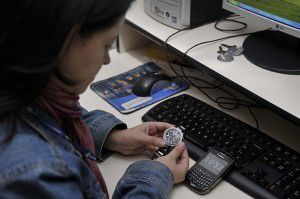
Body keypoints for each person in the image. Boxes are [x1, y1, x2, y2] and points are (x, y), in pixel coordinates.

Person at [0, 0, 189, 198]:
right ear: (66, 40)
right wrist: (156, 175)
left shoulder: (20, 80)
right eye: (107, 45)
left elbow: (48, 116)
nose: (107, 60)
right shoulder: (38, 175)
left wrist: (112, 137)